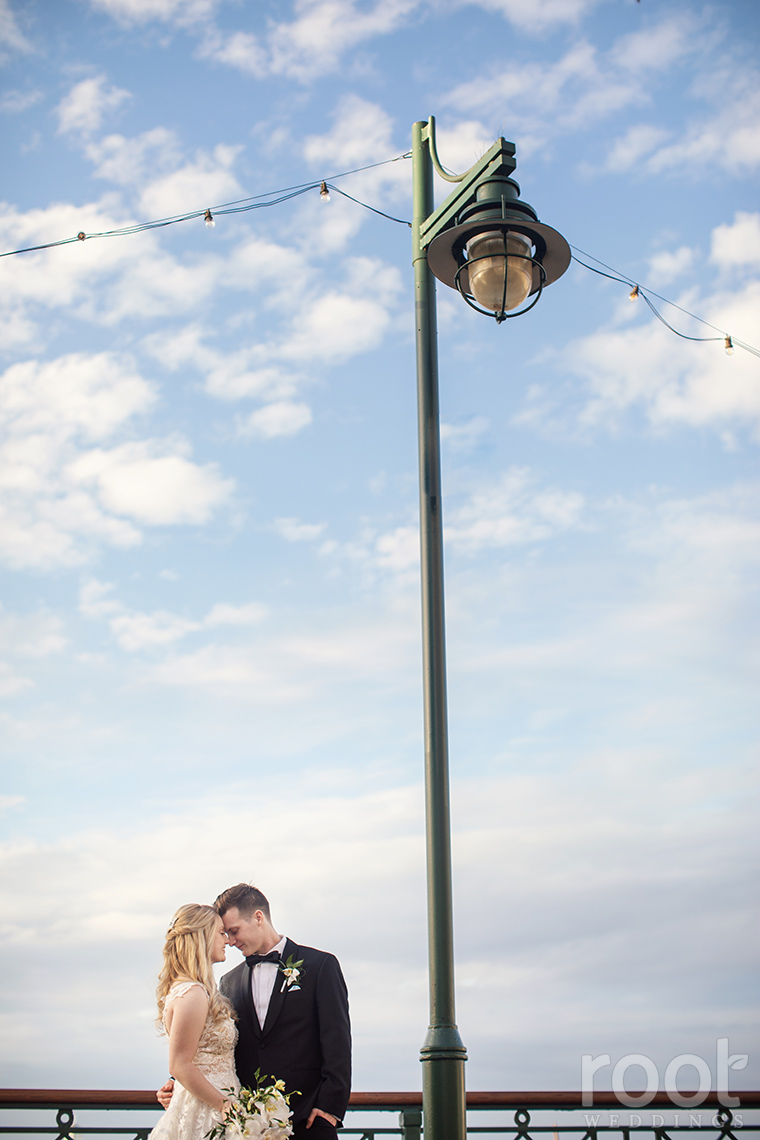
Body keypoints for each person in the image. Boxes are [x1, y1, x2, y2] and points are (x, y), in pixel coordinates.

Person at [158, 884, 351, 1140]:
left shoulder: (320, 966)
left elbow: (337, 1040)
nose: (231, 940)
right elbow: (210, 1040)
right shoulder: (228, 982)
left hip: (308, 1119)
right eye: (225, 933)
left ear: (258, 917)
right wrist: (176, 1080)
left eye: (234, 931)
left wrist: (330, 1106)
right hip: (247, 1123)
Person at [150, 904, 239, 1140]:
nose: (227, 940)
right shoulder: (193, 993)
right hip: (208, 1111)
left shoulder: (194, 990)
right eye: (221, 932)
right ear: (202, 936)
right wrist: (224, 1106)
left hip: (212, 1103)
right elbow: (179, 1064)